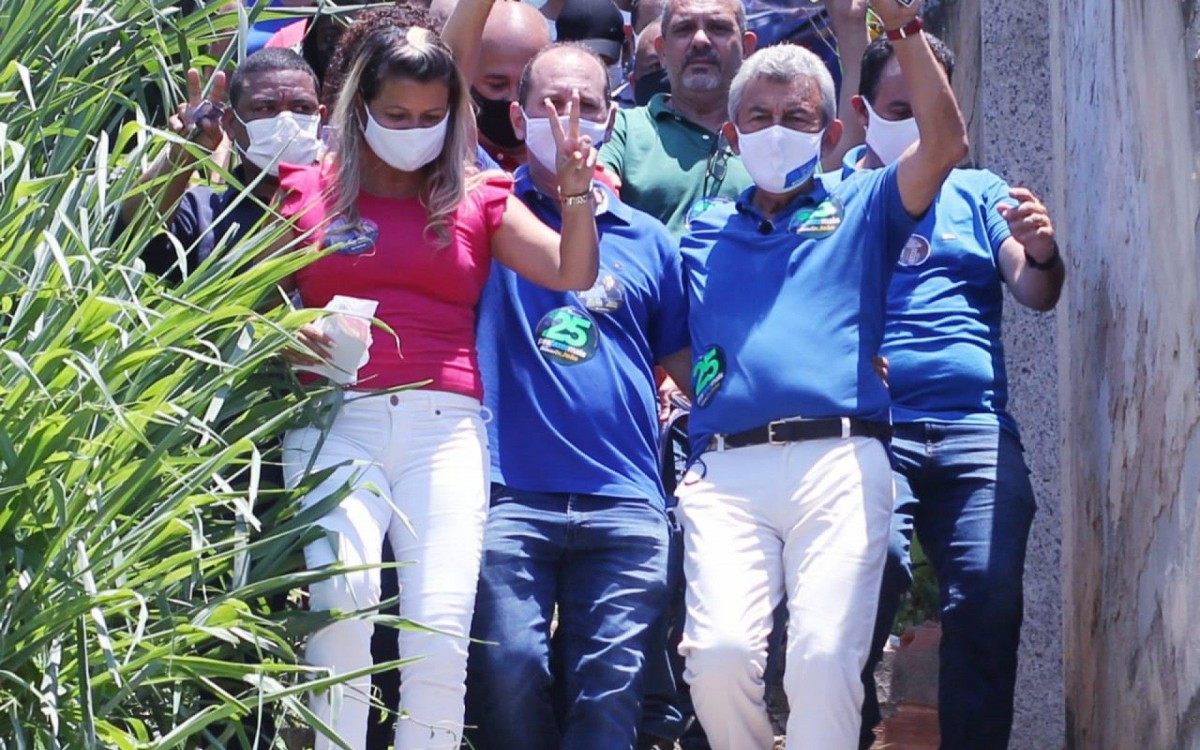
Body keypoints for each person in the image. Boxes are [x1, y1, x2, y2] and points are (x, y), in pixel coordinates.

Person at [274, 11, 599, 749]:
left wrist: (576, 192)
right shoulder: (302, 188)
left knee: (439, 629)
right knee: (344, 613)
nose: (414, 128)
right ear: (360, 106)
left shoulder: (475, 194)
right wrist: (292, 333)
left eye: (431, 115)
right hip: (335, 418)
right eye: (396, 114)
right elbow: (247, 306)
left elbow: (573, 271)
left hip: (445, 429)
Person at [674, 0, 969, 745]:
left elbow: (944, 143)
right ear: (732, 134)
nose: (778, 130)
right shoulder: (700, 228)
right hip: (725, 470)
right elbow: (668, 334)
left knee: (823, 659)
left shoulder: (863, 202)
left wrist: (901, 31)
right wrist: (714, 382)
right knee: (716, 657)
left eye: (798, 117)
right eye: (761, 116)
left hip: (840, 459)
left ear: (833, 132)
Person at [463, 41, 692, 750]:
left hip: (623, 498)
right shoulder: (486, 214)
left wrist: (693, 397)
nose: (569, 121)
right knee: (510, 672)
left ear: (610, 116)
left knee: (610, 696)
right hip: (510, 493)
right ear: (515, 113)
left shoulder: (651, 241)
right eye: (551, 104)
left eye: (586, 106)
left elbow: (682, 362)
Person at [844, 34, 1065, 750]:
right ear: (862, 112)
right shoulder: (837, 193)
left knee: (988, 600)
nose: (915, 121)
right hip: (873, 432)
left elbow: (1035, 291)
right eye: (897, 107)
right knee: (867, 581)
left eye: (927, 105)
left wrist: (1041, 251)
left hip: (974, 434)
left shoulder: (979, 191)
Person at [120, 48, 324, 281]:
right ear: (230, 123)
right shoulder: (205, 211)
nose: (285, 120)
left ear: (321, 119)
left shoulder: (351, 202)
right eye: (265, 108)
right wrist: (183, 152)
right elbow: (130, 233)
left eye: (302, 108)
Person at [598, 0, 755, 237]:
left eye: (718, 28)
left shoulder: (776, 132)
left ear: (747, 47)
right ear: (661, 50)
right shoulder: (622, 130)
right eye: (684, 29)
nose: (700, 40)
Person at [446, 0, 552, 170]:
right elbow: (450, 70)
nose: (513, 98)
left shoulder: (566, 156)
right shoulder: (452, 155)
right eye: (497, 85)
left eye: (525, 85)